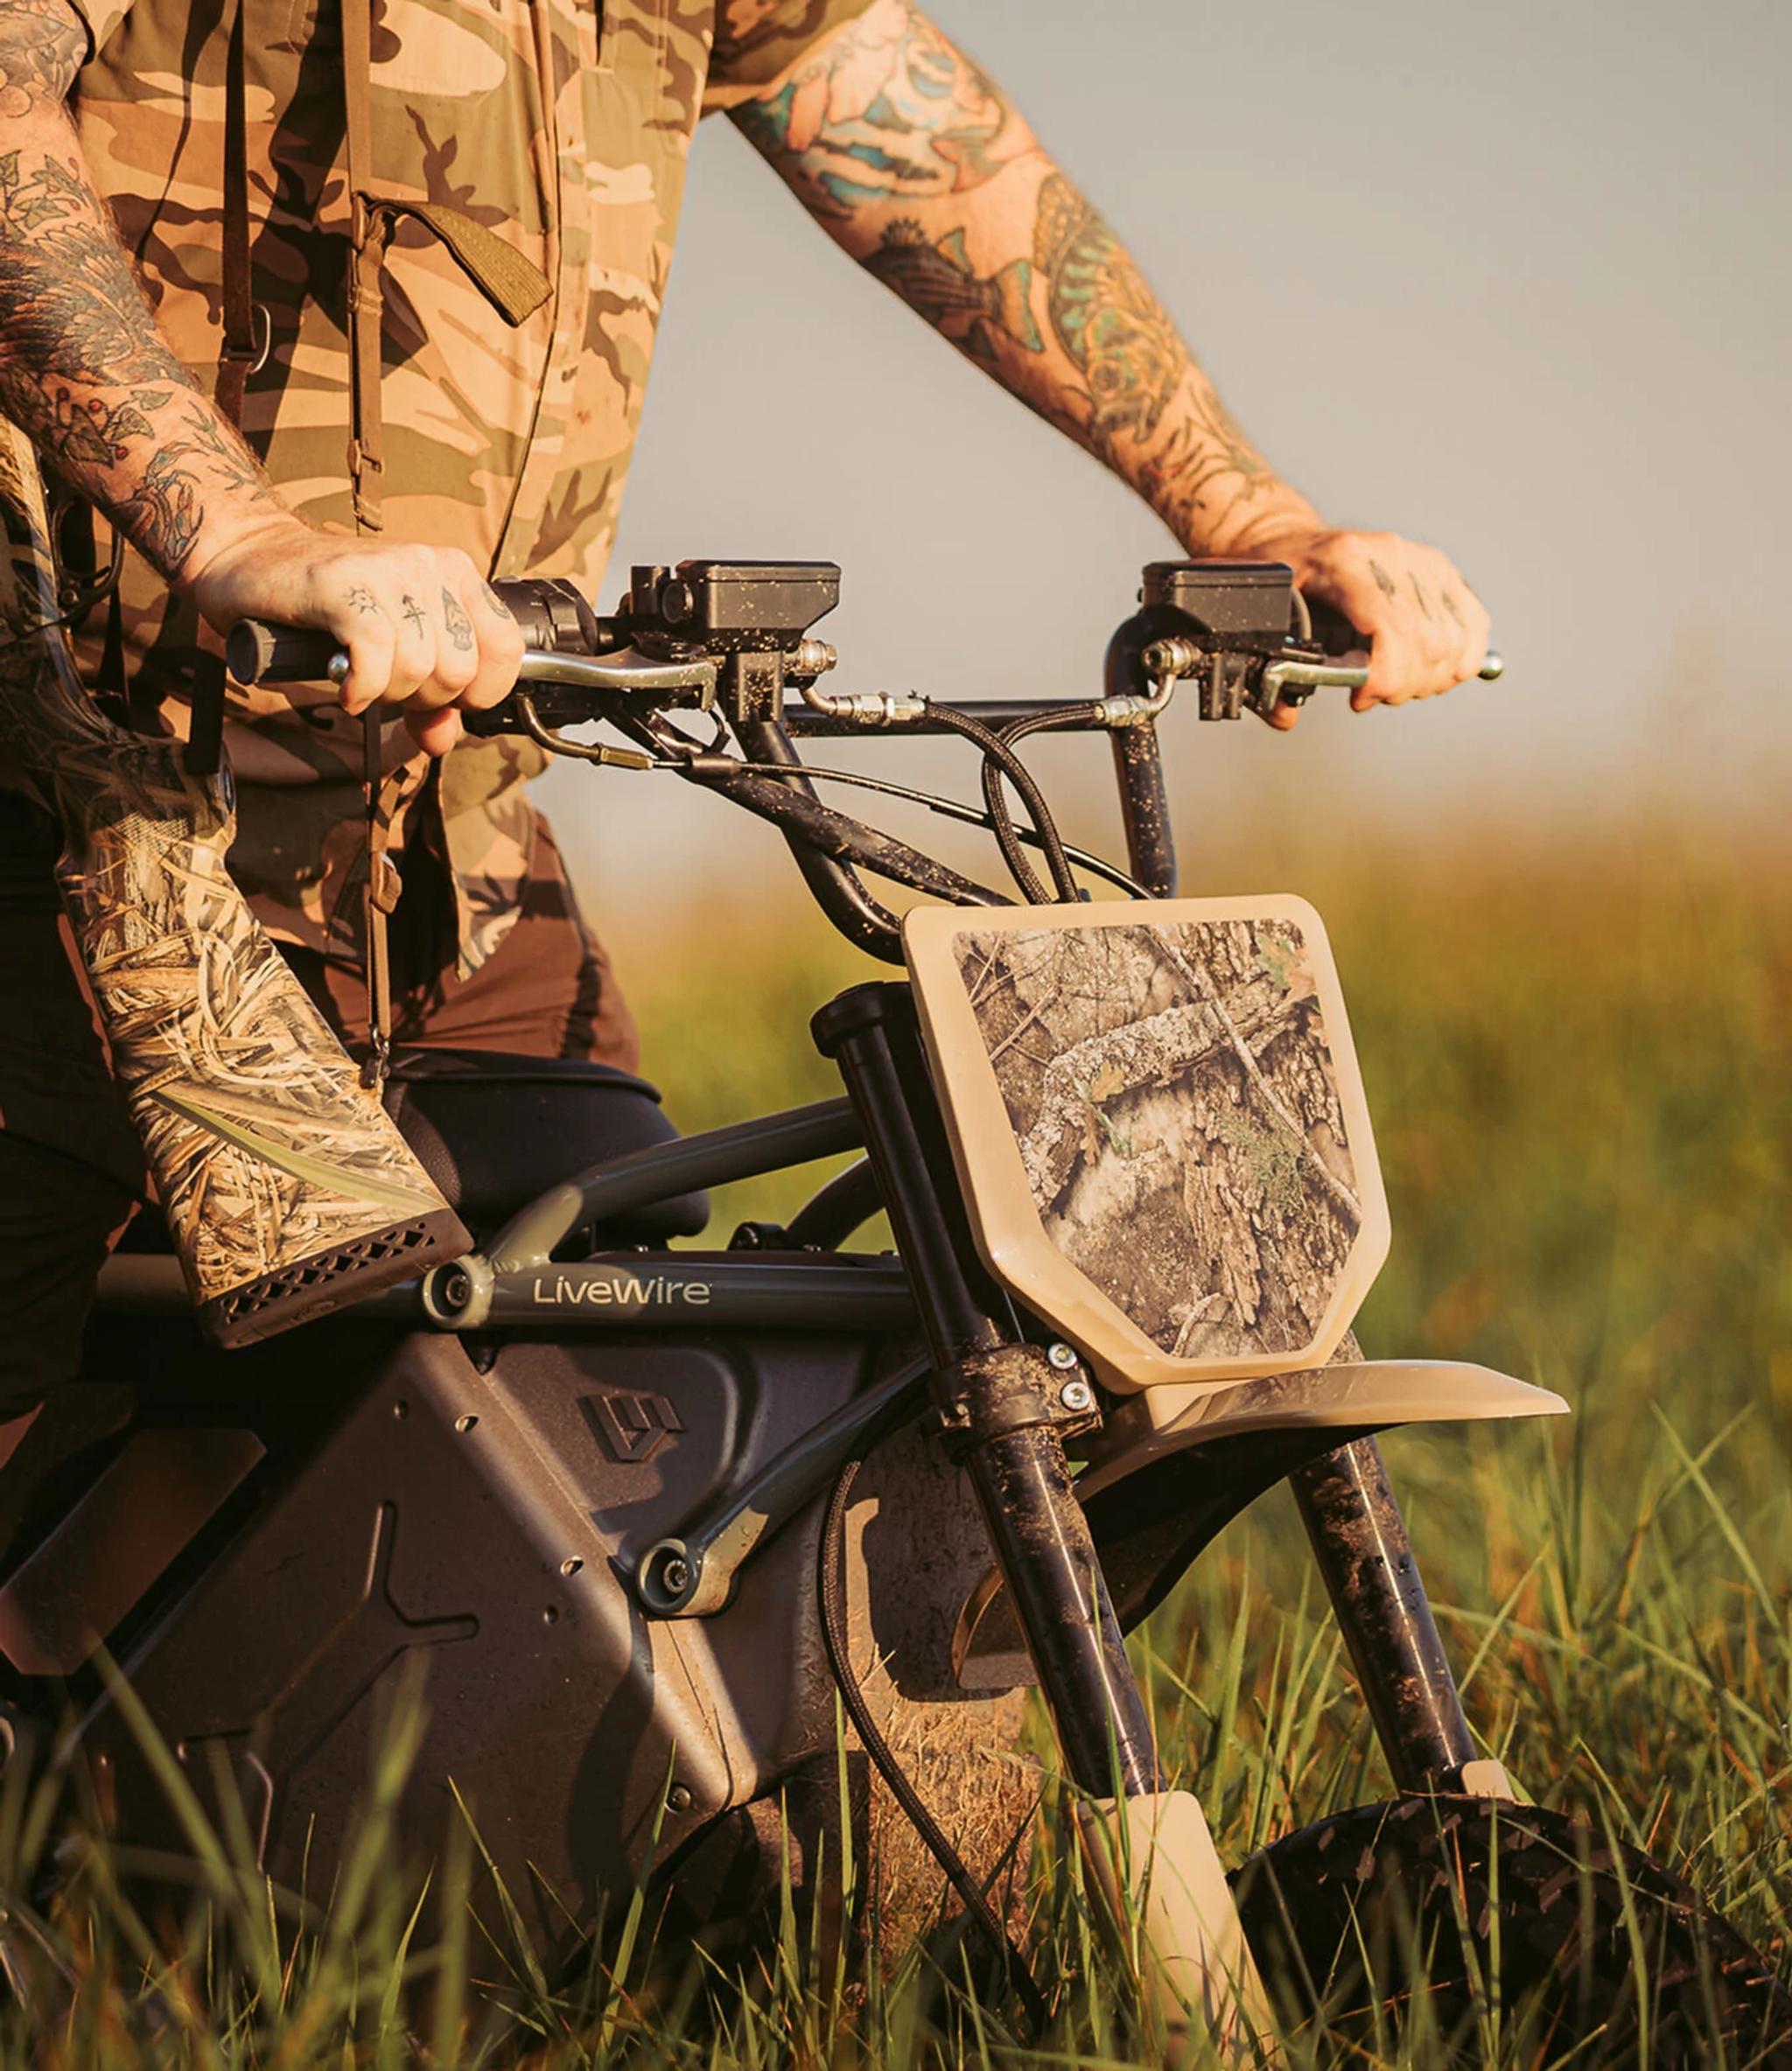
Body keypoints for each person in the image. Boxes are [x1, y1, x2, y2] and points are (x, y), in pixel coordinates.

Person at [0, 0, 1491, 1437]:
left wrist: (1252, 516)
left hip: (448, 851)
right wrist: (235, 532)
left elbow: (913, 135)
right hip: (69, 815)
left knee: (611, 1406)